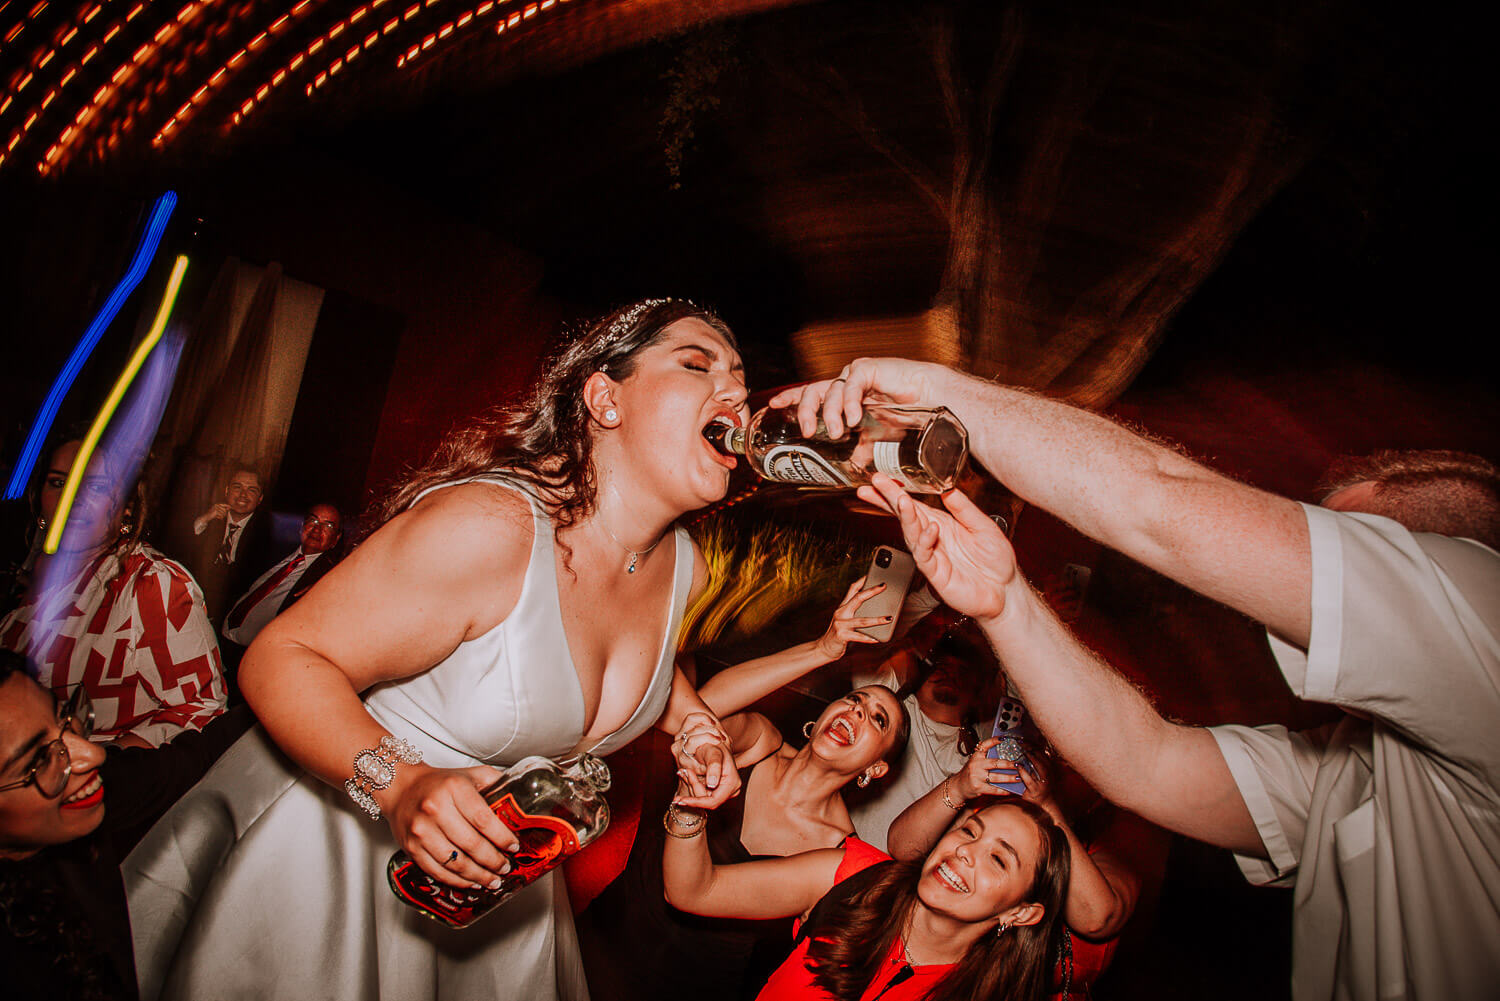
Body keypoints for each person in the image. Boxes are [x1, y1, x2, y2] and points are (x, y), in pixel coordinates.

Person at [771, 359, 1500, 1001]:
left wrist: (943, 392)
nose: (1295, 590)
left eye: (1341, 545)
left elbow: (1160, 504)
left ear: (1435, 561)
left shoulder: (1484, 612)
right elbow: (1147, 760)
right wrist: (1005, 600)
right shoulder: (1363, 759)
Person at [123, 298, 753, 1001]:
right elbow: (281, 655)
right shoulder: (491, 527)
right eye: (697, 365)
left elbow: (631, 663)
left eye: (741, 379)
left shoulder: (683, 563)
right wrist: (401, 785)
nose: (736, 392)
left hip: (495, 887)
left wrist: (694, 723)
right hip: (345, 860)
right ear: (606, 398)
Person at [581, 598, 912, 1001]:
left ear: (875, 769)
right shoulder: (762, 743)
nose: (858, 712)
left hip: (685, 987)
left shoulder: (836, 854)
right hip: (610, 926)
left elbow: (690, 893)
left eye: (878, 719)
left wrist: (689, 803)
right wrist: (821, 649)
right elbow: (697, 713)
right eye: (856, 701)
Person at [663, 754, 1072, 1001]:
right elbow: (694, 890)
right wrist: (690, 809)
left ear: (1022, 912)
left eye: (999, 859)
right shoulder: (852, 875)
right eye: (969, 831)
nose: (965, 851)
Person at [0, 649, 252, 1001]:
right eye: (40, 760)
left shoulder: (98, 792)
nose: (93, 753)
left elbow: (194, 759)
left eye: (63, 718)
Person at [887, 736, 1162, 1000]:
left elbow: (1097, 918)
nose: (1051, 761)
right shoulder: (1003, 819)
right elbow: (904, 849)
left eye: (1070, 760)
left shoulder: (1124, 835)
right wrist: (960, 786)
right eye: (1050, 751)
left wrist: (1047, 806)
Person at [0, 440, 227, 748]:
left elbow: (203, 709)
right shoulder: (26, 578)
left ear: (127, 504)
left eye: (94, 486)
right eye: (59, 482)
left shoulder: (151, 583)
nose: (72, 498)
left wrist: (101, 765)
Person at [846, 622, 999, 852]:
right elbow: (874, 640)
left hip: (891, 878)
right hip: (837, 850)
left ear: (977, 692)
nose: (949, 675)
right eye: (942, 666)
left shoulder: (980, 750)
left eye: (962, 672)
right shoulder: (888, 714)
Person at [218, 503, 344, 703]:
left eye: (328, 526)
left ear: (335, 540)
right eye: (313, 521)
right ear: (302, 526)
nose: (317, 529)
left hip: (252, 666)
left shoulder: (328, 578)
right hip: (219, 643)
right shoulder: (270, 552)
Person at [184, 465, 273, 621]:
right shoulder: (210, 520)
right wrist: (205, 519)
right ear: (226, 491)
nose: (243, 495)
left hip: (231, 610)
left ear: (260, 499)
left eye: (252, 490)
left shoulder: (266, 532)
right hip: (193, 599)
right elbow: (181, 549)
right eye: (237, 487)